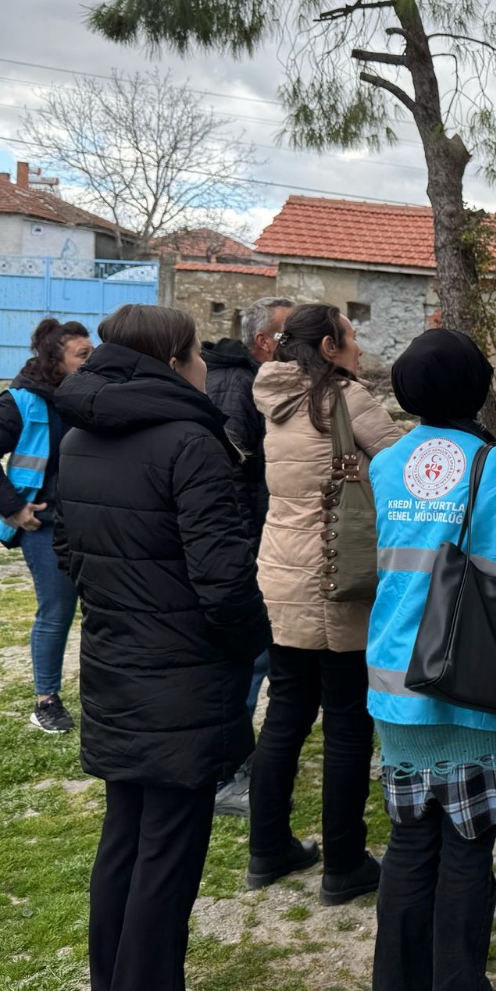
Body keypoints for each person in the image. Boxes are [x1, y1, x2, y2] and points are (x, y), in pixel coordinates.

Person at [54, 303, 269, 991]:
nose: (207, 363)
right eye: (198, 352)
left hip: (117, 654)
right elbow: (224, 576)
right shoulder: (190, 440)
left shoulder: (82, 435)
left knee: (125, 837)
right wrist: (246, 649)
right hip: (182, 669)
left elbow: (68, 551)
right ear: (175, 360)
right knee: (168, 851)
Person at [365, 328, 496, 991]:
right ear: (479, 390)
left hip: (397, 686)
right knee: (467, 856)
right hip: (480, 691)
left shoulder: (385, 466)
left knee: (407, 850)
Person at [246, 303, 403, 904]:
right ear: (331, 347)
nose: (359, 348)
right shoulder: (344, 397)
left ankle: (268, 849)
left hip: (282, 574)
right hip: (338, 577)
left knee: (284, 715)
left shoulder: (275, 400)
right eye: (352, 337)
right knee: (345, 723)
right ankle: (343, 863)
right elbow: (399, 462)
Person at [0, 317, 93, 733]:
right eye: (83, 356)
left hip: (94, 522)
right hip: (47, 525)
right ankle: (46, 701)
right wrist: (15, 508)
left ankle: (104, 692)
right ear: (56, 360)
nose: (91, 362)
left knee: (102, 611)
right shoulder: (20, 401)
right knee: (57, 612)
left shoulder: (90, 394)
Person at [203, 295, 294, 818]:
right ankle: (226, 774)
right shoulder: (236, 386)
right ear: (263, 343)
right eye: (287, 336)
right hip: (244, 546)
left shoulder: (243, 379)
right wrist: (245, 551)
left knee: (255, 660)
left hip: (250, 542)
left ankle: (244, 761)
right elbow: (229, 479)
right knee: (245, 662)